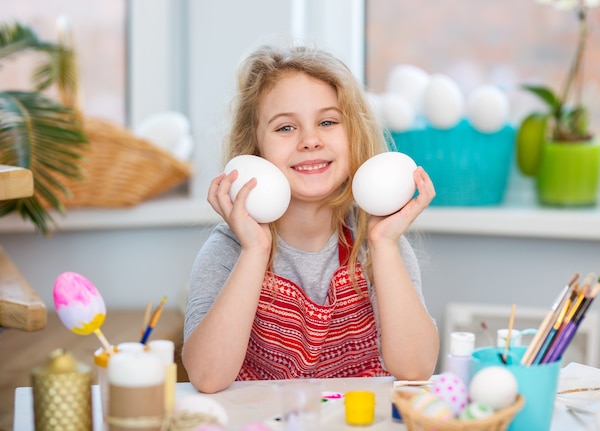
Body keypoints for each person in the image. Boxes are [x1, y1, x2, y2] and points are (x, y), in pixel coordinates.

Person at [182, 42, 439, 394]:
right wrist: (255, 251)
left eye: (328, 121)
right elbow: (207, 377)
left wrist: (383, 246)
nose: (310, 140)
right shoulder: (230, 248)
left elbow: (416, 368)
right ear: (254, 149)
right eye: (285, 128)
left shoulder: (377, 241)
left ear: (355, 135)